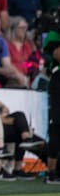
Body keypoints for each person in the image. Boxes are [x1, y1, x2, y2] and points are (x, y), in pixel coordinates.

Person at [0, 57, 46, 180]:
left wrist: (3, 112)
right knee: (19, 123)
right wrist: (2, 117)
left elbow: (3, 107)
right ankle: (18, 161)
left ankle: (26, 142)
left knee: (19, 117)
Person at [43, 19, 60, 184]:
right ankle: (52, 172)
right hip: (58, 81)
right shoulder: (54, 34)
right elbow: (57, 55)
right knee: (57, 126)